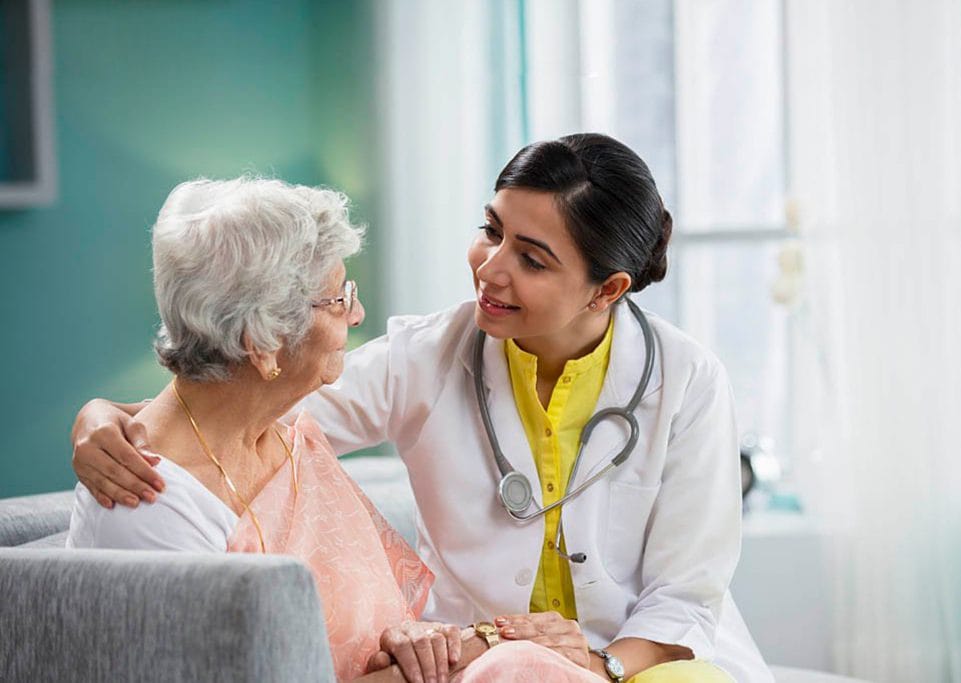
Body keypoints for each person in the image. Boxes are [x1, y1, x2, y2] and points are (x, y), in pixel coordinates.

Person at [72, 134, 772, 682]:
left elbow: (685, 593)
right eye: (490, 230)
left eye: (531, 257)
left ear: (606, 288)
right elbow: (249, 397)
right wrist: (102, 415)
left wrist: (601, 663)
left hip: (641, 661)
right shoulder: (429, 354)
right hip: (490, 666)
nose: (491, 267)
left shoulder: (687, 382)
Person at [66, 177, 599, 683]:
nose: (358, 312)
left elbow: (366, 634)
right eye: (338, 298)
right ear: (265, 339)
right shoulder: (148, 501)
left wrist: (415, 642)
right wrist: (484, 645)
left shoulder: (287, 434)